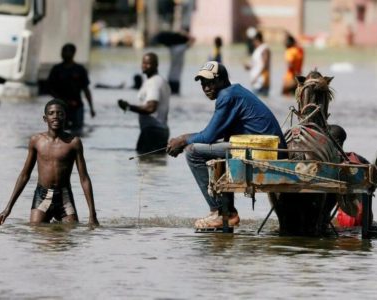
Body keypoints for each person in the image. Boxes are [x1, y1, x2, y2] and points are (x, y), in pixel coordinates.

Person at [166, 61, 287, 229]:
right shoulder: (234, 92)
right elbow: (217, 135)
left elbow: (208, 136)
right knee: (216, 148)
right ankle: (226, 210)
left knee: (193, 151)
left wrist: (182, 139)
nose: (206, 87)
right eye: (203, 84)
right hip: (265, 148)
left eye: (210, 82)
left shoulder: (227, 96)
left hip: (263, 151)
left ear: (222, 80)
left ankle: (221, 211)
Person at [0, 99, 99, 226]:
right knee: (37, 231)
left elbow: (84, 178)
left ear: (65, 117)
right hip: (42, 196)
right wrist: (8, 208)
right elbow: (24, 175)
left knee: (71, 235)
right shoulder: (36, 141)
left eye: (60, 113)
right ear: (45, 119)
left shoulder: (74, 142)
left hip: (64, 197)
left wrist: (92, 214)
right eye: (51, 113)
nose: (55, 116)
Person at [117, 52, 171, 154]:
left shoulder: (153, 83)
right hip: (162, 131)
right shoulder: (160, 80)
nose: (144, 66)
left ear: (156, 65)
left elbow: (151, 108)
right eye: (143, 63)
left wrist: (128, 107)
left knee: (144, 165)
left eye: (148, 63)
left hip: (152, 132)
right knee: (155, 165)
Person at [47, 43, 95, 134]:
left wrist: (91, 108)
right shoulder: (56, 69)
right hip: (60, 107)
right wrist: (61, 100)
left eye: (66, 52)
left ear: (73, 53)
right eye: (63, 52)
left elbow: (86, 90)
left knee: (77, 132)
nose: (64, 54)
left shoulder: (80, 70)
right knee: (60, 132)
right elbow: (49, 89)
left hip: (77, 106)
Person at [167, 29, 195, 95]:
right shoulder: (179, 49)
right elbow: (193, 39)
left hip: (171, 78)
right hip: (175, 80)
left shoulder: (172, 48)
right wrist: (185, 34)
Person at [244, 32, 271, 97]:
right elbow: (257, 65)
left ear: (257, 39)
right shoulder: (257, 50)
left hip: (262, 82)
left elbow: (265, 65)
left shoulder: (264, 49)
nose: (252, 43)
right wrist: (249, 67)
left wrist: (256, 77)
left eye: (253, 40)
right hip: (256, 83)